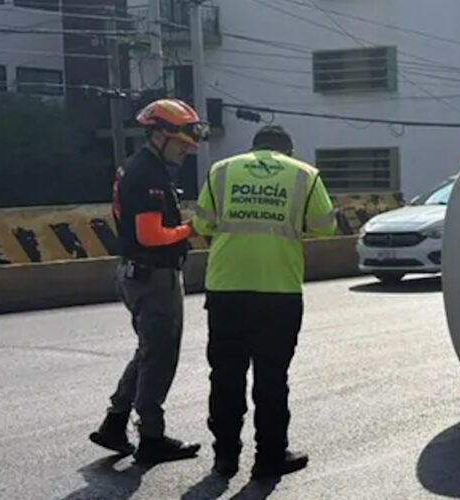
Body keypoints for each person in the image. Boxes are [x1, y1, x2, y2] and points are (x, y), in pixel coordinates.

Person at [193, 125, 337, 479]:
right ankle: (270, 457)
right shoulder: (304, 174)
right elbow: (325, 227)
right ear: (287, 152)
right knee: (272, 377)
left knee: (226, 374)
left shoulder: (222, 170)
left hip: (226, 288)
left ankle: (225, 457)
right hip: (279, 290)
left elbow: (201, 223)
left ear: (254, 148)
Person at [89, 99, 207, 464]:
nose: (187, 151)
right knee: (159, 356)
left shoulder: (139, 167)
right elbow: (151, 235)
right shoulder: (149, 175)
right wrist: (194, 228)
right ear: (159, 135)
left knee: (147, 350)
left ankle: (115, 422)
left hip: (137, 273)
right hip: (153, 276)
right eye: (182, 144)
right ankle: (151, 437)